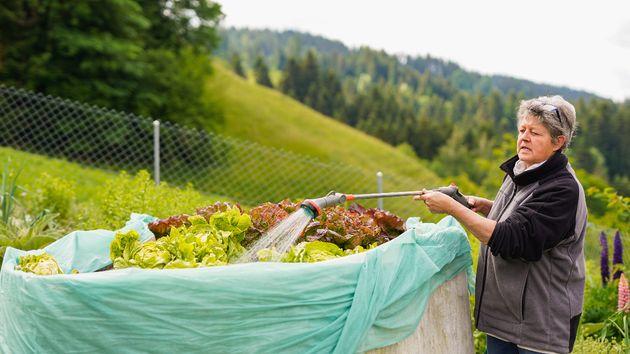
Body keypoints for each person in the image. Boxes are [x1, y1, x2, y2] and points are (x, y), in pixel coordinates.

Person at [416, 95, 587, 354]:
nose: (524, 137)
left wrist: (451, 208)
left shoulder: (562, 189)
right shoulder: (523, 170)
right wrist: (488, 206)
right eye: (522, 130)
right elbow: (527, 213)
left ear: (558, 142)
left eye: (535, 133)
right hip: (505, 317)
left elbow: (512, 239)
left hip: (540, 326)